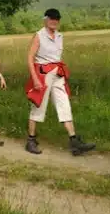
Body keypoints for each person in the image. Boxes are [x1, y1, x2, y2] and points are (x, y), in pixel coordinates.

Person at [24, 9, 95, 156]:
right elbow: (30, 58)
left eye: (57, 19)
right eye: (51, 18)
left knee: (64, 105)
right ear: (45, 19)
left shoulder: (59, 36)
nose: (54, 21)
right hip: (42, 74)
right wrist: (35, 79)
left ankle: (74, 141)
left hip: (57, 74)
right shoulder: (39, 36)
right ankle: (31, 140)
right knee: (38, 107)